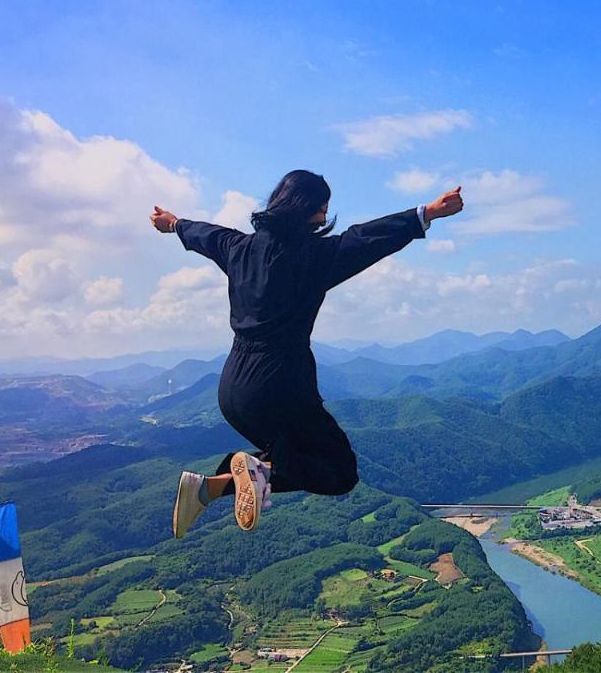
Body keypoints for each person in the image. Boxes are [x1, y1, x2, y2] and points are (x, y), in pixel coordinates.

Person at [149, 170, 463, 537]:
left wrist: (173, 224)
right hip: (280, 383)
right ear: (307, 209)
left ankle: (208, 488)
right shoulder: (312, 257)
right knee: (339, 472)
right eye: (322, 208)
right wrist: (426, 213)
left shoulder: (236, 247)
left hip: (232, 390)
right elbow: (366, 239)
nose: (323, 217)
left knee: (293, 458)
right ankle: (259, 472)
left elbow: (203, 233)